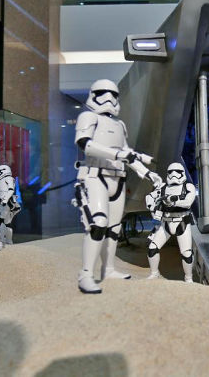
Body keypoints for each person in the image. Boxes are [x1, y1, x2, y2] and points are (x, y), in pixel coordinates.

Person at [72, 79, 161, 294]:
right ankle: (86, 274)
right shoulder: (88, 117)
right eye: (103, 93)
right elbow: (85, 143)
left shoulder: (119, 125)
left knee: (114, 228)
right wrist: (117, 154)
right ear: (93, 95)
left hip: (118, 179)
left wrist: (147, 173)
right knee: (98, 224)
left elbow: (128, 153)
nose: (109, 99)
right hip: (96, 176)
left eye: (113, 94)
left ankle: (109, 269)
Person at [145, 163, 196, 282]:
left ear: (182, 173)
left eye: (177, 172)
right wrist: (152, 205)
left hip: (181, 222)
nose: (174, 175)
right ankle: (154, 273)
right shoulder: (163, 187)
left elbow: (188, 202)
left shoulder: (188, 186)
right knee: (152, 248)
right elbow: (150, 197)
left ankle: (188, 278)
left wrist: (173, 202)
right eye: (171, 172)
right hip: (166, 223)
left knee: (186, 253)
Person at [0, 165, 20, 245]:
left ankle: (2, 240)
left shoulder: (8, 178)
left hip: (7, 202)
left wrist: (5, 199)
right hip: (6, 202)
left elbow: (11, 190)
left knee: (0, 221)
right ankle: (8, 241)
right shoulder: (3, 180)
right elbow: (2, 191)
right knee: (7, 223)